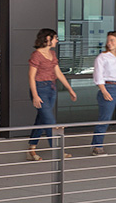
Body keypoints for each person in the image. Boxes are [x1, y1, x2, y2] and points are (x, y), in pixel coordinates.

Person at [26, 28, 77, 161]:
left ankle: (31, 149)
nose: (57, 40)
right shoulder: (36, 55)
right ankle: (57, 150)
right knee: (50, 121)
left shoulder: (52, 54)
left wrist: (69, 89)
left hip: (51, 89)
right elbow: (31, 76)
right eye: (55, 38)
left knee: (41, 120)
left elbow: (58, 73)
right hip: (40, 89)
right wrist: (35, 95)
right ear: (47, 39)